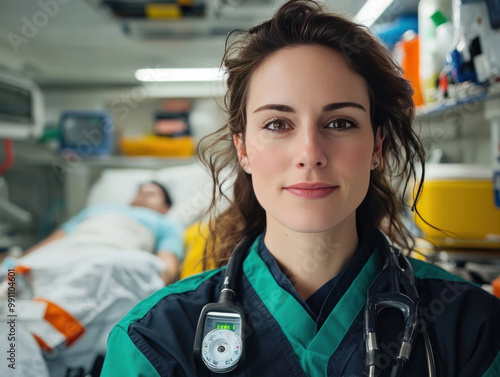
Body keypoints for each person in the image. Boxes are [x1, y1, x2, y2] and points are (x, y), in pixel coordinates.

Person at [100, 1, 500, 376]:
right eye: (278, 124)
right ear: (243, 150)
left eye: (340, 122)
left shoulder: (471, 329)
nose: (310, 153)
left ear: (376, 146)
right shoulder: (154, 341)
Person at [25, 181, 183, 285]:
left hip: (112, 252)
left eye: (151, 194)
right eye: (140, 192)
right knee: (19, 275)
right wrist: (22, 259)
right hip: (68, 248)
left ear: (165, 207)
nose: (142, 195)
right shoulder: (97, 210)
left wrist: (159, 283)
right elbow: (57, 238)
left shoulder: (166, 224)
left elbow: (166, 265)